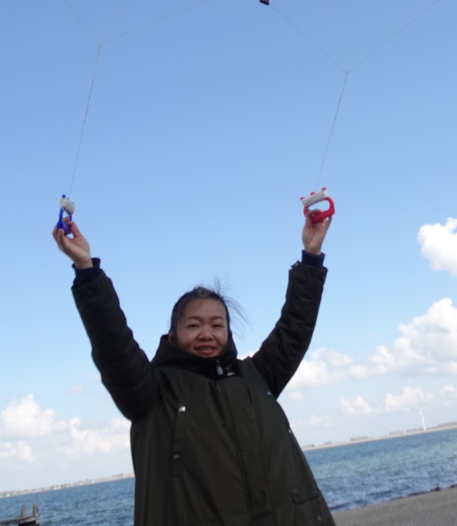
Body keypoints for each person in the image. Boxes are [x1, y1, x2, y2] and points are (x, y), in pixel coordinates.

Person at [53, 210, 335, 526]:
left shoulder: (258, 376)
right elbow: (112, 343)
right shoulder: (151, 392)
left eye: (217, 324)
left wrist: (311, 256)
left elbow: (295, 326)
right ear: (173, 334)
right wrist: (86, 270)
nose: (207, 333)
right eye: (193, 324)